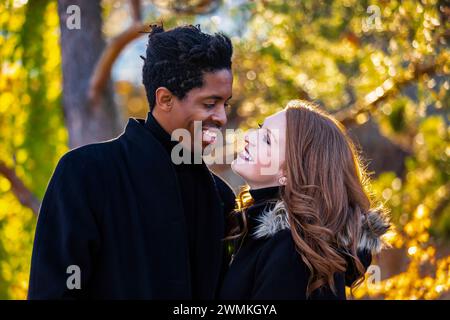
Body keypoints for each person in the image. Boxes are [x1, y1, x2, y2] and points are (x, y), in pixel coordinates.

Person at [28, 24, 236, 299]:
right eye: (210, 104)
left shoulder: (220, 198)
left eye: (226, 104)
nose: (222, 118)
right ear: (165, 99)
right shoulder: (85, 173)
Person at [220, 100, 390, 300]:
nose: (248, 137)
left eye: (267, 140)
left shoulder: (292, 254)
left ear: (290, 173)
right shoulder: (253, 228)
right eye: (259, 128)